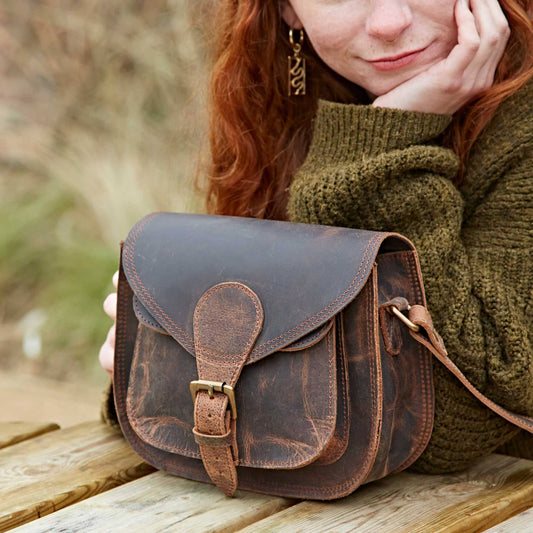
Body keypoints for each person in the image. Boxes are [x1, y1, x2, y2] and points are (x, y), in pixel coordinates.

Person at [99, 0, 533, 473]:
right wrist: (166, 367)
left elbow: (459, 421)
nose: (389, 23)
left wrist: (381, 141)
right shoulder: (284, 99)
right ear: (287, 10)